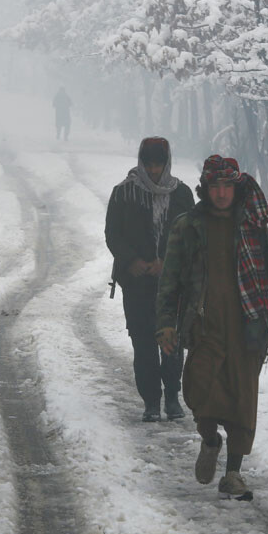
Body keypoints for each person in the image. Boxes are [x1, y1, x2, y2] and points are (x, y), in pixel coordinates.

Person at [156, 155, 268, 500]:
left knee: (242, 399)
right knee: (198, 390)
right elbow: (170, 281)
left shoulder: (252, 225)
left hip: (248, 327)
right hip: (204, 326)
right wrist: (165, 324)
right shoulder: (187, 226)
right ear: (204, 189)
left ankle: (233, 473)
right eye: (214, 187)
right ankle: (210, 440)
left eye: (226, 187)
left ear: (235, 189)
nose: (221, 193)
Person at [106, 137, 195, 422]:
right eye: (149, 165)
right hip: (136, 283)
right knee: (143, 342)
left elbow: (189, 236)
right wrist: (132, 261)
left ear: (167, 162)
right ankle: (151, 401)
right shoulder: (123, 193)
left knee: (172, 341)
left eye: (159, 164)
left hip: (173, 283)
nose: (154, 171)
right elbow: (113, 234)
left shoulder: (182, 194)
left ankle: (172, 395)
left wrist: (166, 262)